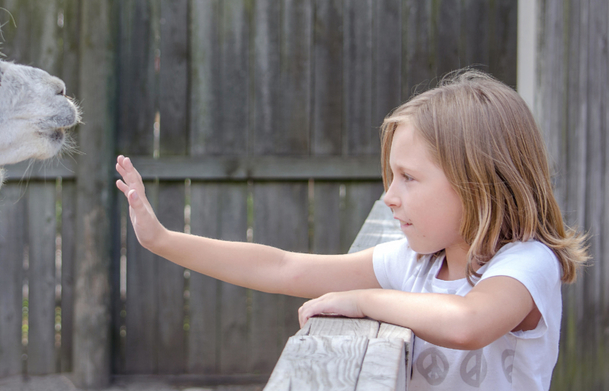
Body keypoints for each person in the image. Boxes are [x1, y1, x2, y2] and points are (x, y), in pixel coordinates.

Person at [115, 69, 588, 391]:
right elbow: (284, 267)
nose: (390, 196)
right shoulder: (418, 263)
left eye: (409, 178)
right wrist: (162, 240)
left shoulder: (526, 263)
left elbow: (468, 323)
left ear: (477, 182)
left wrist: (361, 300)